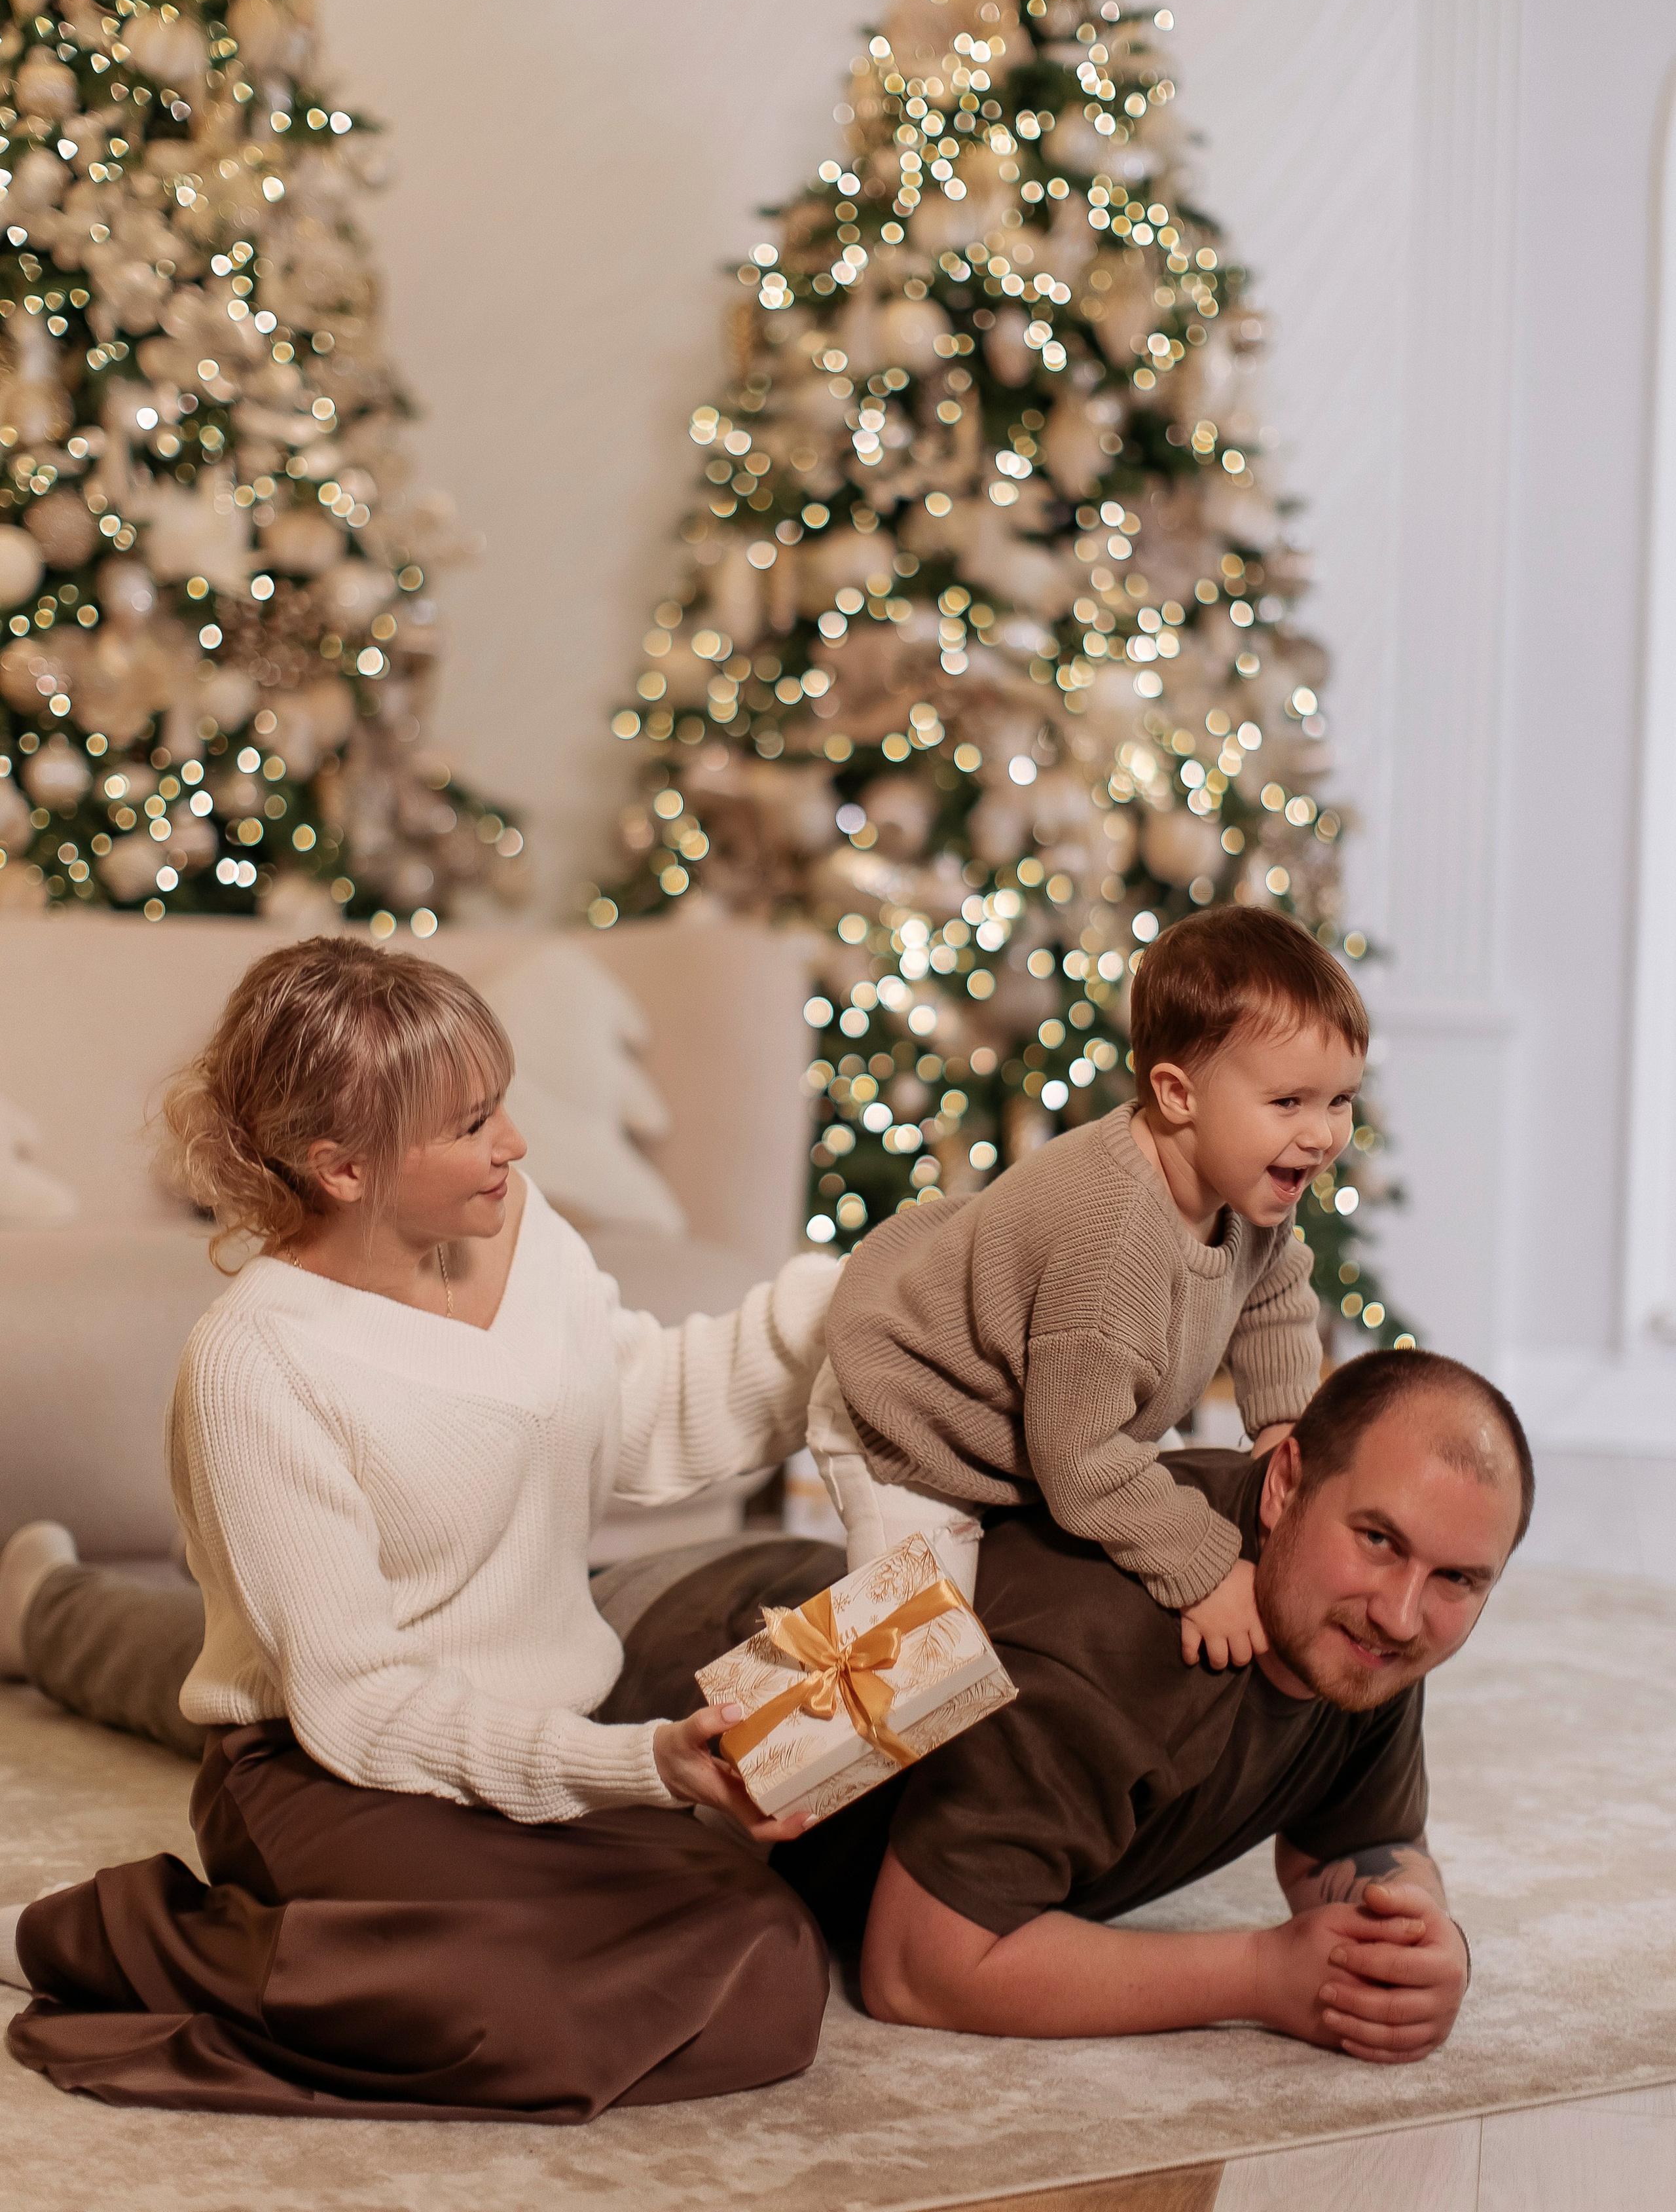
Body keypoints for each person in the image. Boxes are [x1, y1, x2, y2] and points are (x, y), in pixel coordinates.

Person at [1, 936, 843, 2123]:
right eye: (471, 1123)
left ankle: (357, 1950)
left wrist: (840, 1314)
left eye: (501, 1104)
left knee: (764, 1957)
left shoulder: (516, 1224)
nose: (515, 1144)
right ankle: (131, 1936)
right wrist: (637, 1766)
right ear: (342, 1167)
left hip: (522, 1740)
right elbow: (365, 1709)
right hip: (332, 1771)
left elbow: (634, 1417)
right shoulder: (257, 1364)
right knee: (522, 2012)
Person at [779, 1348, 1532, 2065]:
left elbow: (1352, 1846)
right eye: (1377, 1539)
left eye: (1458, 1580)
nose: (1403, 1615)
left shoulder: (1354, 1624)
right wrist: (1262, 1974)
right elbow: (917, 1970)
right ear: (1284, 1484)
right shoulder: (1105, 1649)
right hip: (704, 1701)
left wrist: (1419, 1945)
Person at [811, 905, 1366, 1670]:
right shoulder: (1112, 1248)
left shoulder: (1249, 1187)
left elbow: (1273, 1293)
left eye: (1340, 1100)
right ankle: (755, 1777)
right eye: (1288, 1103)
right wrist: (1205, 1572)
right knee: (906, 1669)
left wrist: (1280, 1432)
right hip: (917, 1416)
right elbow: (1079, 1465)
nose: (1322, 1135)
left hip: (1067, 1412)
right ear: (1178, 1095)